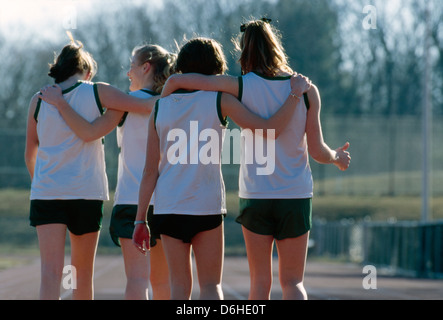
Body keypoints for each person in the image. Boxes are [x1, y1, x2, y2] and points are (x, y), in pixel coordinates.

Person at [160, 19, 351, 300]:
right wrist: (337, 157)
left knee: (259, 283)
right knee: (293, 282)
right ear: (276, 46)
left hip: (256, 194)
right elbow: (317, 150)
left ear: (244, 51)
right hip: (296, 194)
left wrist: (171, 88)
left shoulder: (239, 86)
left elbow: (188, 80)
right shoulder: (307, 90)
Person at [132, 37, 311, 300]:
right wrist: (294, 96)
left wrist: (140, 219)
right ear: (215, 67)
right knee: (211, 286)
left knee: (179, 288)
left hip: (169, 206)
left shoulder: (160, 106)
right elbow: (267, 128)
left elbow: (150, 171)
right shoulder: (220, 101)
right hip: (207, 205)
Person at [25, 37, 158, 300]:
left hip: (47, 193)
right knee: (82, 274)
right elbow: (146, 105)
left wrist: (41, 184)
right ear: (86, 71)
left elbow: (31, 151)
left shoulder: (38, 101)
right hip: (86, 192)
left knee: (51, 274)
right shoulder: (97, 91)